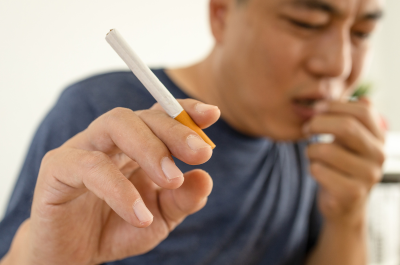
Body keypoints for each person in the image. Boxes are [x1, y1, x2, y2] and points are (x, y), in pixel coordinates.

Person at [0, 0, 386, 264]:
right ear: (221, 14)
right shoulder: (99, 116)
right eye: (307, 23)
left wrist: (348, 214)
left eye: (362, 32)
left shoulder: (315, 142)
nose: (339, 64)